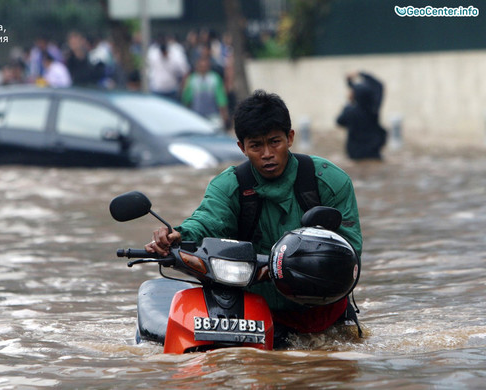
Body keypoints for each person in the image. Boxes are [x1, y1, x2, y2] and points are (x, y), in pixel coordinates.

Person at [145, 90, 362, 335]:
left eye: (274, 142)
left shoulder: (329, 180)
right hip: (255, 315)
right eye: (256, 145)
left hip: (326, 313)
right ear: (242, 147)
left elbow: (351, 248)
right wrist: (179, 234)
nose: (267, 153)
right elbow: (207, 220)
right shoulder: (229, 186)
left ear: (290, 138)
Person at [336, 71, 387, 160]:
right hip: (373, 151)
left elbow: (339, 121)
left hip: (356, 153)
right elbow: (379, 86)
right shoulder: (373, 109)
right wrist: (361, 73)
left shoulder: (350, 111)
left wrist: (349, 103)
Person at [181, 55, 229, 130]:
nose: (203, 68)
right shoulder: (192, 80)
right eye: (201, 66)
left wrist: (224, 115)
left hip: (213, 116)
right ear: (197, 66)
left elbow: (221, 99)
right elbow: (187, 99)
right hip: (196, 116)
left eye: (205, 66)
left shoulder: (215, 79)